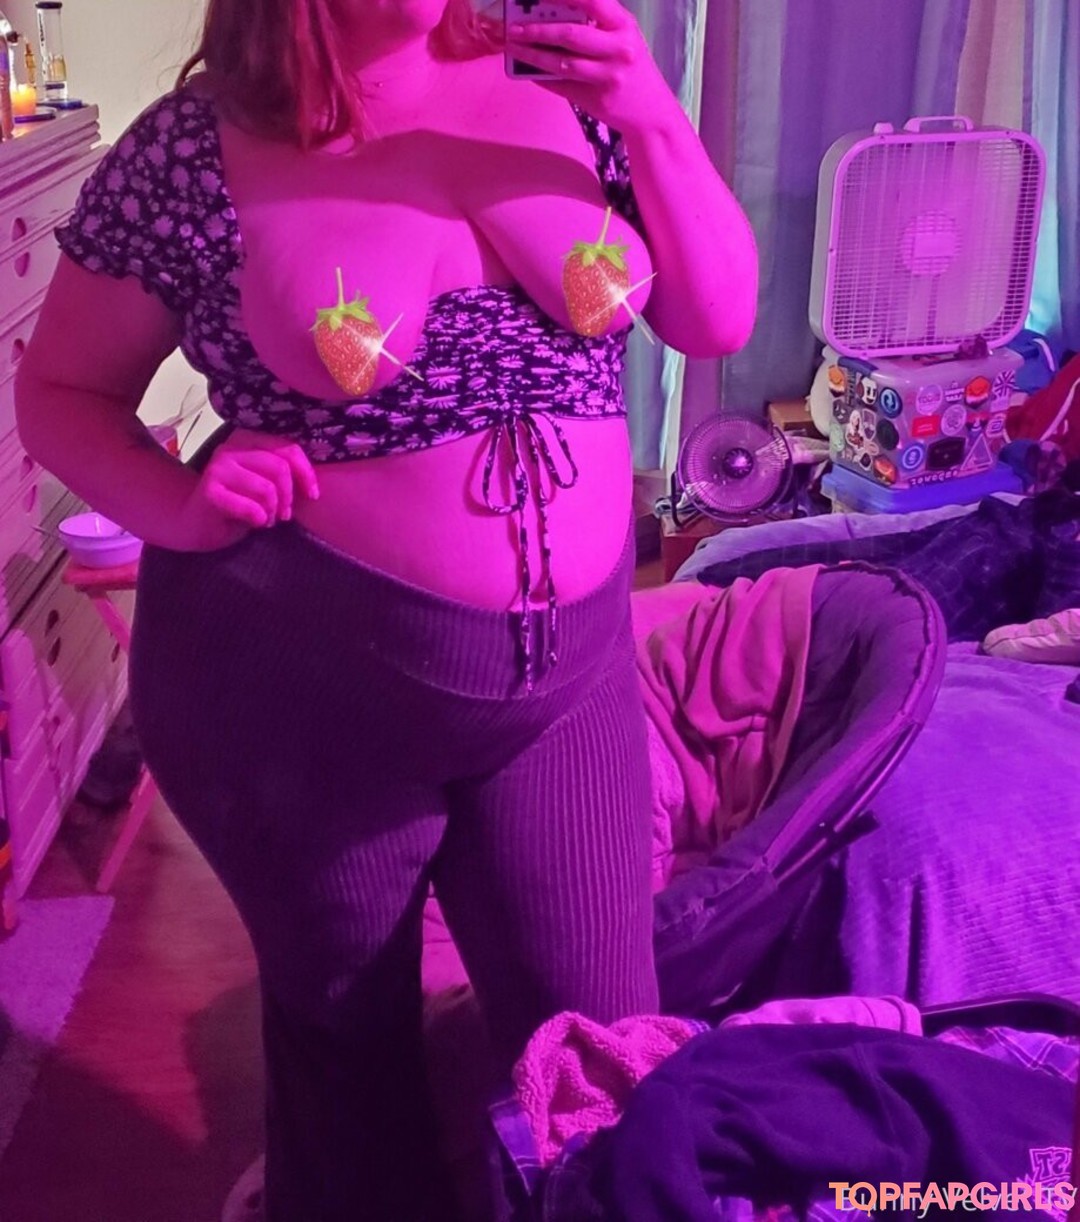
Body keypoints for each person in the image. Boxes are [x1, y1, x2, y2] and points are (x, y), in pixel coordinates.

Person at [15, 0, 757, 1217]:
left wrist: (653, 115)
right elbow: (59, 390)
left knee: (605, 1054)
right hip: (304, 691)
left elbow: (715, 317)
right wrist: (181, 503)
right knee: (347, 1063)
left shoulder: (572, 91)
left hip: (565, 681)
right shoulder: (193, 149)